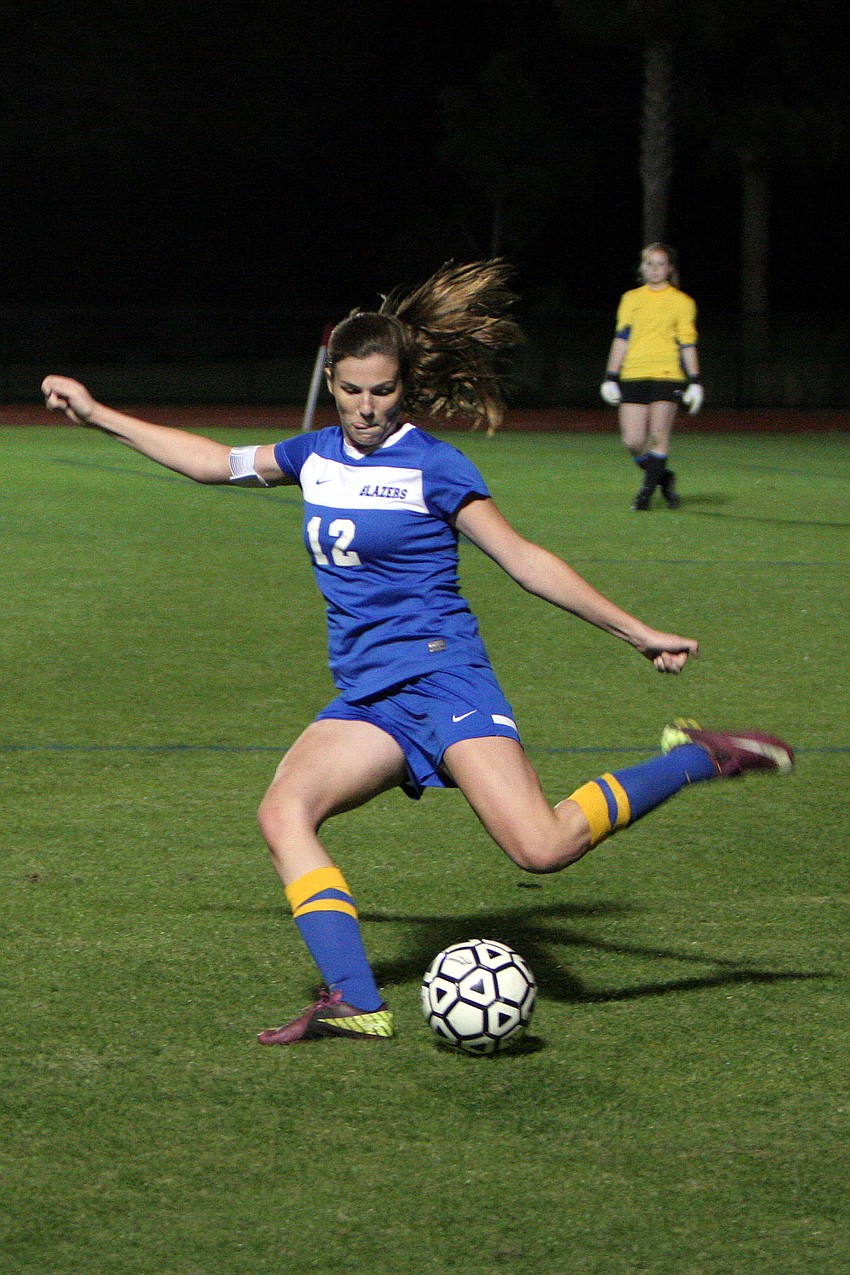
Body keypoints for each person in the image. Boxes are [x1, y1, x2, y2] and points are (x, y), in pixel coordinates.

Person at [42, 259, 792, 1047]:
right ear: (331, 381)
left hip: (443, 680)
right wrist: (98, 415)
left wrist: (635, 631)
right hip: (370, 698)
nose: (367, 406)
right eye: (352, 389)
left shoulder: (434, 464)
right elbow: (211, 462)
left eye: (383, 390)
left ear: (404, 385)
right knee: (283, 811)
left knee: (542, 848)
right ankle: (355, 998)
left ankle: (697, 756)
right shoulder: (313, 455)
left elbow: (523, 559)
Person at [600, 242, 703, 511]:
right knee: (633, 441)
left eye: (661, 264)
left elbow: (687, 343)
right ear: (642, 268)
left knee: (658, 436)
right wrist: (611, 376)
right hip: (633, 373)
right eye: (649, 264)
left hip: (667, 374)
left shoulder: (682, 302)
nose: (655, 269)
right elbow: (621, 338)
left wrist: (695, 380)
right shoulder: (631, 299)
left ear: (669, 268)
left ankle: (644, 495)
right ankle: (663, 477)